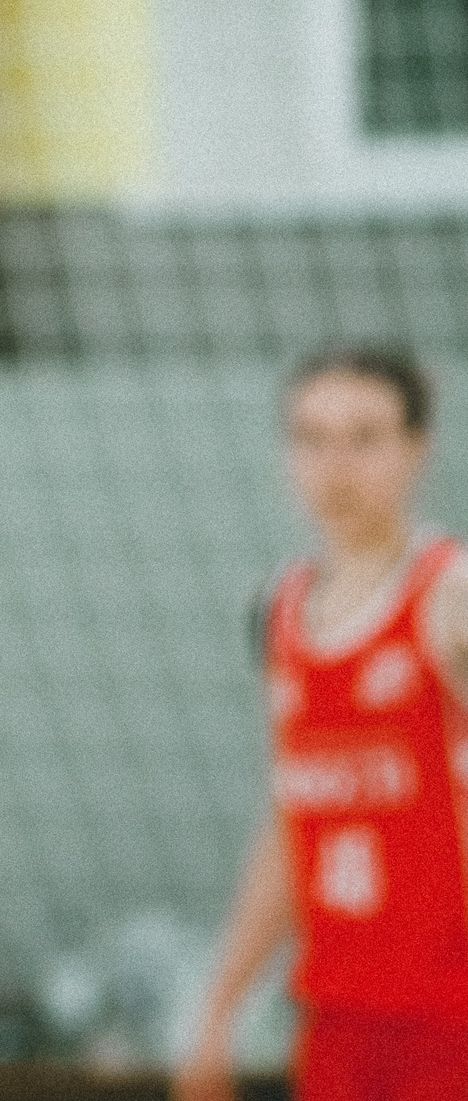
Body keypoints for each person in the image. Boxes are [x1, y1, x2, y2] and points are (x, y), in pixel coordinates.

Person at [177, 347, 468, 1101]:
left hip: (450, 1014)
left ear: (417, 448)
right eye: (312, 438)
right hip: (337, 1015)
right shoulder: (279, 608)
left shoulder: (449, 594)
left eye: (364, 437)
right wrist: (219, 1008)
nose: (335, 467)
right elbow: (291, 825)